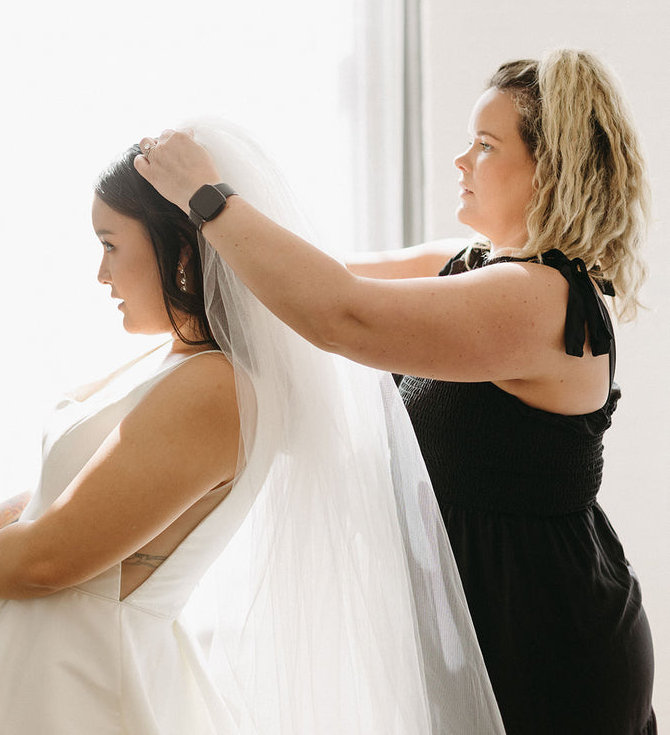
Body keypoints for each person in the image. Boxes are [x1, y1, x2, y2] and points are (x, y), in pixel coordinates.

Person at [137, 50, 657, 735]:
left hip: (544, 638)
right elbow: (314, 275)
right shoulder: (470, 267)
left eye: (485, 145)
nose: (459, 161)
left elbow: (341, 315)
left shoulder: (541, 298)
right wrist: (192, 231)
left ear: (548, 170)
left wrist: (208, 198)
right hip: (475, 626)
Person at [0, 124, 505, 734]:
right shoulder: (172, 359)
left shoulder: (216, 388)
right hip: (42, 660)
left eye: (109, 245)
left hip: (75, 684)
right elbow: (55, 499)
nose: (101, 275)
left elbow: (50, 558)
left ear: (180, 253)